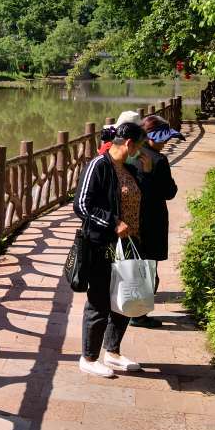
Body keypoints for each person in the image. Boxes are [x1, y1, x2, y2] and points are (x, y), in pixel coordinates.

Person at [72, 121, 151, 377]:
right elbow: (82, 205)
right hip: (102, 244)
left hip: (130, 243)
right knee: (100, 299)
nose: (140, 151)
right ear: (129, 143)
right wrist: (113, 221)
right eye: (139, 146)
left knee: (124, 298)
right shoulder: (99, 165)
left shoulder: (129, 167)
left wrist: (148, 172)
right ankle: (89, 356)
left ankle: (112, 352)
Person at [131, 115, 184, 328]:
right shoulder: (159, 161)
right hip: (152, 219)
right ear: (151, 138)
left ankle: (126, 309)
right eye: (162, 139)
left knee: (132, 264)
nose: (165, 143)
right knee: (148, 268)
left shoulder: (129, 155)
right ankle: (138, 315)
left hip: (130, 218)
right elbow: (169, 192)